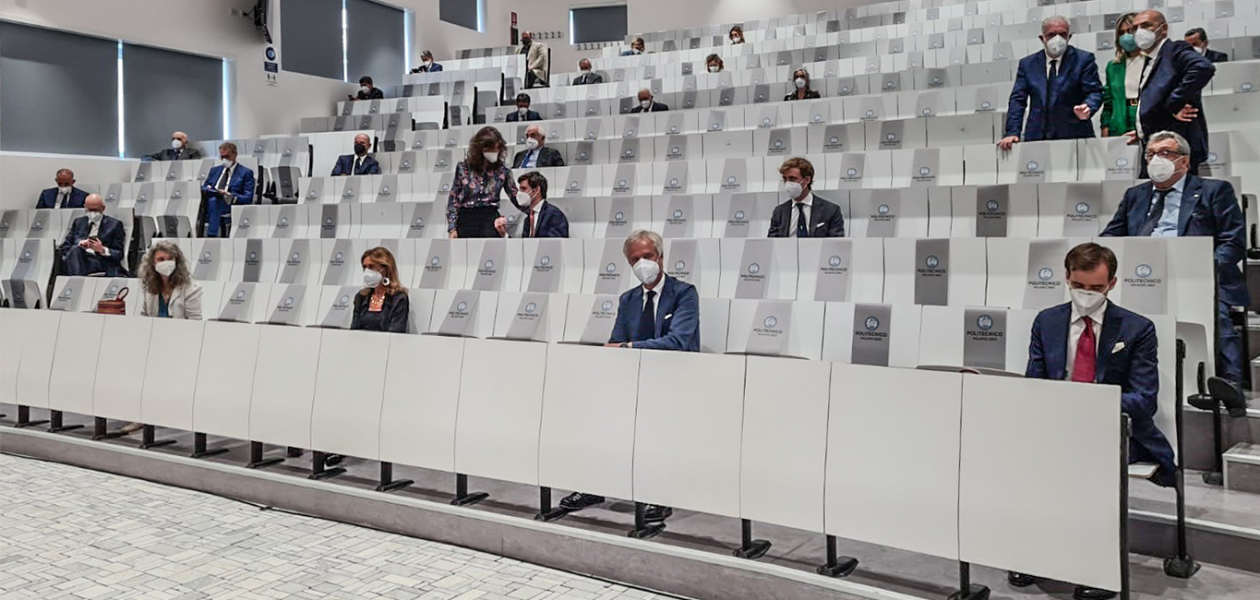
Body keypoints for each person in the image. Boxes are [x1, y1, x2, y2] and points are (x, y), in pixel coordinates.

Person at [1015, 242, 1176, 599]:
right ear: (1067, 279)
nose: (1086, 295)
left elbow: (1144, 399)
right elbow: (1034, 383)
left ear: (1113, 283)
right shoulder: (1047, 321)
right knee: (1025, 461)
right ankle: (1032, 551)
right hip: (1056, 425)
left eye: (1096, 288)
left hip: (1112, 428)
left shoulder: (1137, 329)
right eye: (1079, 286)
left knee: (1088, 471)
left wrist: (1092, 407)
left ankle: (1097, 566)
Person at [558, 230, 699, 523]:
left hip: (674, 379)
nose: (642, 263)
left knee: (656, 427)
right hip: (634, 377)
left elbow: (679, 342)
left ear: (660, 256)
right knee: (594, 414)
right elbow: (615, 341)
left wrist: (630, 347)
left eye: (647, 257)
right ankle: (594, 486)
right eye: (634, 259)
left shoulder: (685, 293)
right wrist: (622, 351)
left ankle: (657, 496)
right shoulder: (628, 298)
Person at [1101, 130, 1246, 383]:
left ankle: (1230, 384)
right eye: (1151, 154)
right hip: (1142, 275)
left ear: (1185, 161)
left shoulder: (1215, 190)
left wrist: (1202, 270)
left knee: (1218, 315)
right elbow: (1110, 238)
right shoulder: (1135, 195)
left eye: (1165, 153)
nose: (1157, 159)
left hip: (1200, 278)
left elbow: (1232, 241)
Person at [120, 241, 203, 434]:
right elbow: (145, 316)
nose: (166, 263)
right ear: (153, 263)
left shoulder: (191, 288)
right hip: (155, 341)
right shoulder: (149, 287)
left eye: (169, 259)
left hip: (182, 343)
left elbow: (195, 323)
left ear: (177, 262)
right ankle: (140, 416)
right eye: (161, 259)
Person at [998, 16, 1104, 151]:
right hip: (1037, 135)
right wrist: (1012, 132)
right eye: (1052, 35)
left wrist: (1088, 106)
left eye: (1062, 34)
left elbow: (1094, 91)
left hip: (1074, 135)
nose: (1057, 39)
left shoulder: (1083, 60)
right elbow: (1017, 100)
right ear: (1042, 38)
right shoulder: (1028, 64)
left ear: (1069, 37)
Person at [1130, 10, 1215, 172]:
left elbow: (1203, 67)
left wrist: (1175, 102)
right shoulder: (1150, 59)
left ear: (1163, 29)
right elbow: (1154, 98)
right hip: (1153, 146)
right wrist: (1142, 127)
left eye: (1147, 25)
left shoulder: (1175, 49)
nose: (1139, 32)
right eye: (1135, 28)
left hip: (1176, 148)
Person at [446, 126, 518, 239]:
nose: (494, 152)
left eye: (497, 148)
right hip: (466, 217)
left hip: (490, 217)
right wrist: (452, 228)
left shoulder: (503, 170)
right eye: (489, 149)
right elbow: (453, 199)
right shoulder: (463, 167)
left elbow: (515, 196)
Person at [768, 158, 844, 238]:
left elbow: (836, 243)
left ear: (807, 180)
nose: (788, 183)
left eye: (792, 179)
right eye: (785, 179)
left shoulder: (830, 210)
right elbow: (772, 243)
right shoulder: (779, 212)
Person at [58, 194, 127, 277]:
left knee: (75, 253)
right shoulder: (78, 222)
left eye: (96, 210)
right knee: (75, 250)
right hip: (78, 259)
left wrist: (101, 249)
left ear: (103, 208)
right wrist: (80, 244)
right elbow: (65, 246)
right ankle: (77, 280)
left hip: (100, 261)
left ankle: (76, 282)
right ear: (85, 207)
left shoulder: (114, 225)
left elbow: (119, 254)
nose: (92, 213)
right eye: (90, 210)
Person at [201, 142, 256, 238]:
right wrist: (210, 190)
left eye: (227, 156)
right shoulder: (215, 170)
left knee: (214, 202)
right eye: (222, 157)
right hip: (211, 198)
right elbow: (205, 186)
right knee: (210, 200)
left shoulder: (246, 173)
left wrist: (230, 195)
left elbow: (248, 198)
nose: (224, 160)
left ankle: (212, 236)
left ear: (235, 155)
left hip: (229, 202)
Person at [1100, 13, 1142, 138]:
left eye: (1130, 31)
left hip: (1144, 119)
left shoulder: (1154, 61)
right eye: (1121, 32)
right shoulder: (1113, 66)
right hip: (1119, 121)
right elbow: (1108, 102)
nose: (1126, 36)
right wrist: (1105, 126)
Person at [352, 246, 409, 333]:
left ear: (386, 269)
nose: (367, 271)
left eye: (371, 267)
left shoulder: (399, 298)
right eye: (365, 267)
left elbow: (396, 332)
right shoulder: (361, 297)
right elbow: (354, 330)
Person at [495, 171, 569, 238]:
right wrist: (504, 235)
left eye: (523, 189)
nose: (519, 193)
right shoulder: (528, 218)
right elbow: (524, 245)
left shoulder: (554, 215)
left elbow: (556, 244)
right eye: (520, 189)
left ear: (536, 190)